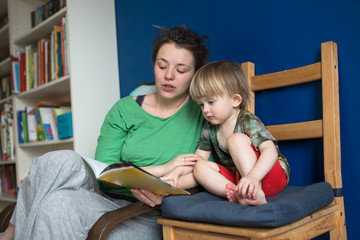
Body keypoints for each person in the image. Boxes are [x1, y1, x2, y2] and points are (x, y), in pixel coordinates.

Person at [0, 24, 209, 240]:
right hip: (105, 197)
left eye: (181, 70)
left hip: (151, 213)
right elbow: (105, 173)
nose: (169, 76)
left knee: (55, 205)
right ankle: (12, 233)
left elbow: (206, 171)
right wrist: (160, 170)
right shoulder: (125, 109)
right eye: (162, 65)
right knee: (58, 161)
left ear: (195, 73)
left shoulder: (204, 112)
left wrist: (166, 189)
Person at [187, 61, 290, 206]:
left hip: (268, 175)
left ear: (235, 100)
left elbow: (270, 151)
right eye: (201, 104)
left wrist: (254, 177)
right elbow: (197, 159)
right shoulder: (209, 127)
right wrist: (175, 175)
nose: (205, 110)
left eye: (211, 102)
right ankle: (236, 194)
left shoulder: (247, 121)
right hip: (240, 179)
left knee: (235, 140)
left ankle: (256, 192)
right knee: (199, 165)